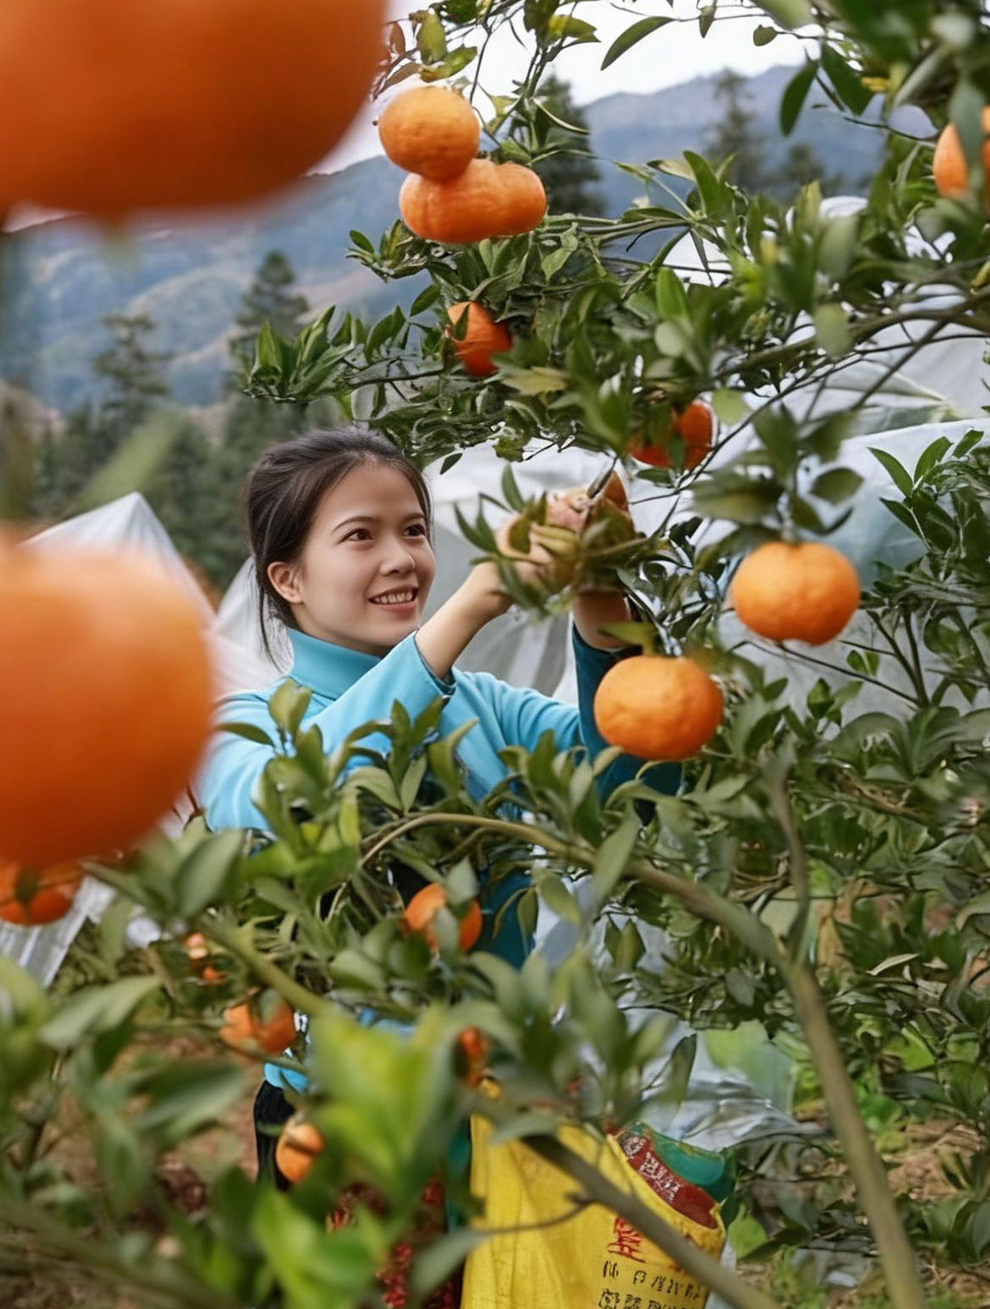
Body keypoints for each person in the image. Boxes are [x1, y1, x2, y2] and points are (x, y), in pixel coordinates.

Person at [196, 426, 676, 1191]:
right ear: (287, 579)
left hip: (504, 1114)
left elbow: (636, 792)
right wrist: (470, 608)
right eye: (361, 536)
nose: (403, 558)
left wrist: (599, 588)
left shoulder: (484, 707)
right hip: (340, 1136)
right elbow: (297, 799)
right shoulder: (243, 729)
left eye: (413, 531)